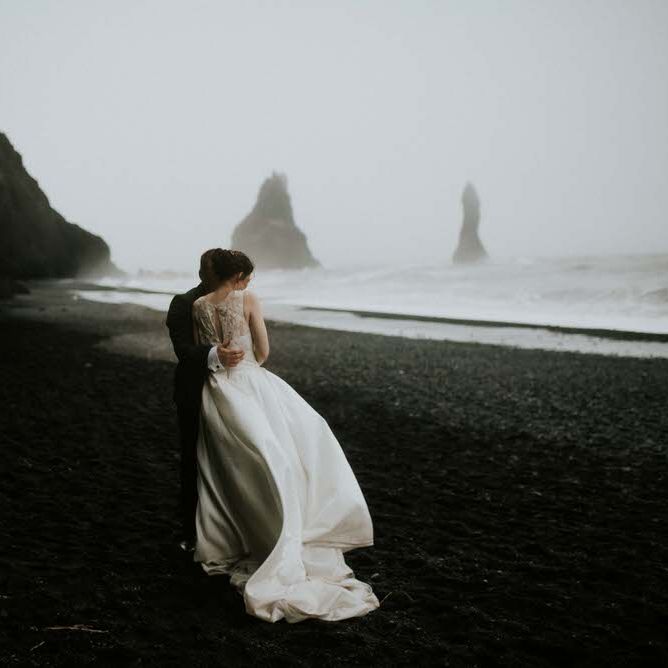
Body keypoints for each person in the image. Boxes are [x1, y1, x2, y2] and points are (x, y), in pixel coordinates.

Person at [191, 248, 380, 623]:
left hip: (215, 388)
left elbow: (203, 350)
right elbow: (262, 351)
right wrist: (246, 364)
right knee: (291, 446)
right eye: (249, 276)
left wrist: (221, 360)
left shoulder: (197, 305)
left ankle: (234, 535)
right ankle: (283, 528)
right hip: (248, 382)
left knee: (226, 465)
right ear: (241, 274)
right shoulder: (248, 299)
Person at [165, 249, 246, 551]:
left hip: (233, 393)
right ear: (203, 274)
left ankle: (229, 529)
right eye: (212, 271)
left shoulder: (238, 300)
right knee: (193, 460)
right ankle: (190, 531)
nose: (216, 276)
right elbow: (184, 352)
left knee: (231, 461)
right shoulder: (183, 304)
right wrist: (216, 354)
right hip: (194, 392)